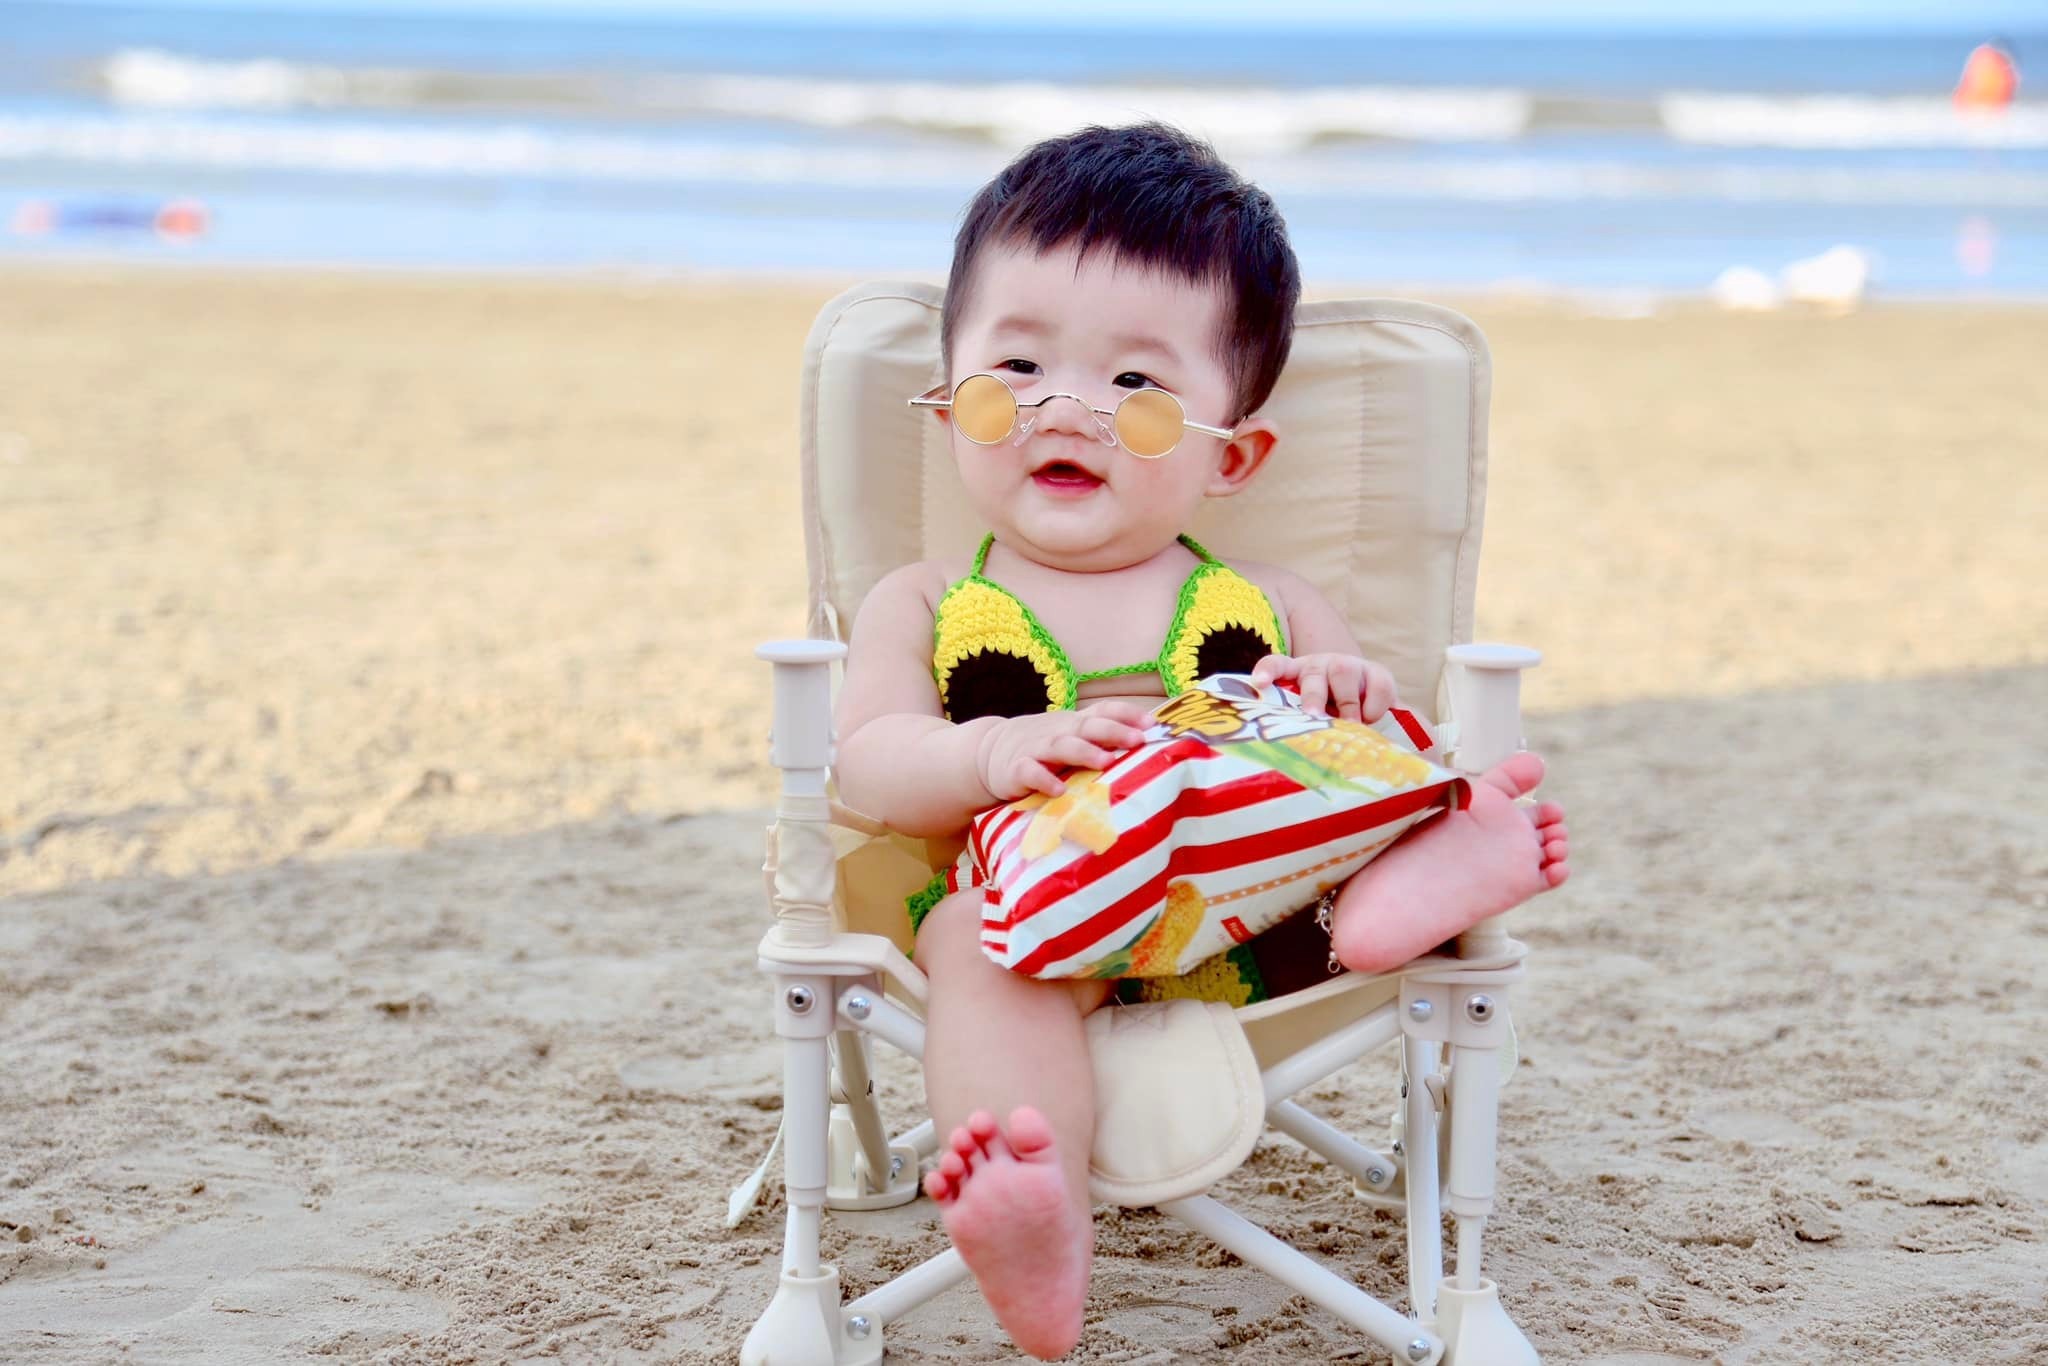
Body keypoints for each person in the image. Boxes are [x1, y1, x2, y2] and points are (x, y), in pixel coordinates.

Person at [831, 122, 1570, 1359]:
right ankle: (1036, 1200)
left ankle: (1414, 897)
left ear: (1237, 455)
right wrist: (989, 755)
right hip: (1044, 921)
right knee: (967, 934)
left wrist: (1339, 687)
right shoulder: (924, 601)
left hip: (1258, 915)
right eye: (1013, 365)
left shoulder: (1270, 602)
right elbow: (864, 764)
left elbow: (1355, 752)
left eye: (1137, 386)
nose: (1066, 409)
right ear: (944, 387)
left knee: (1368, 809)